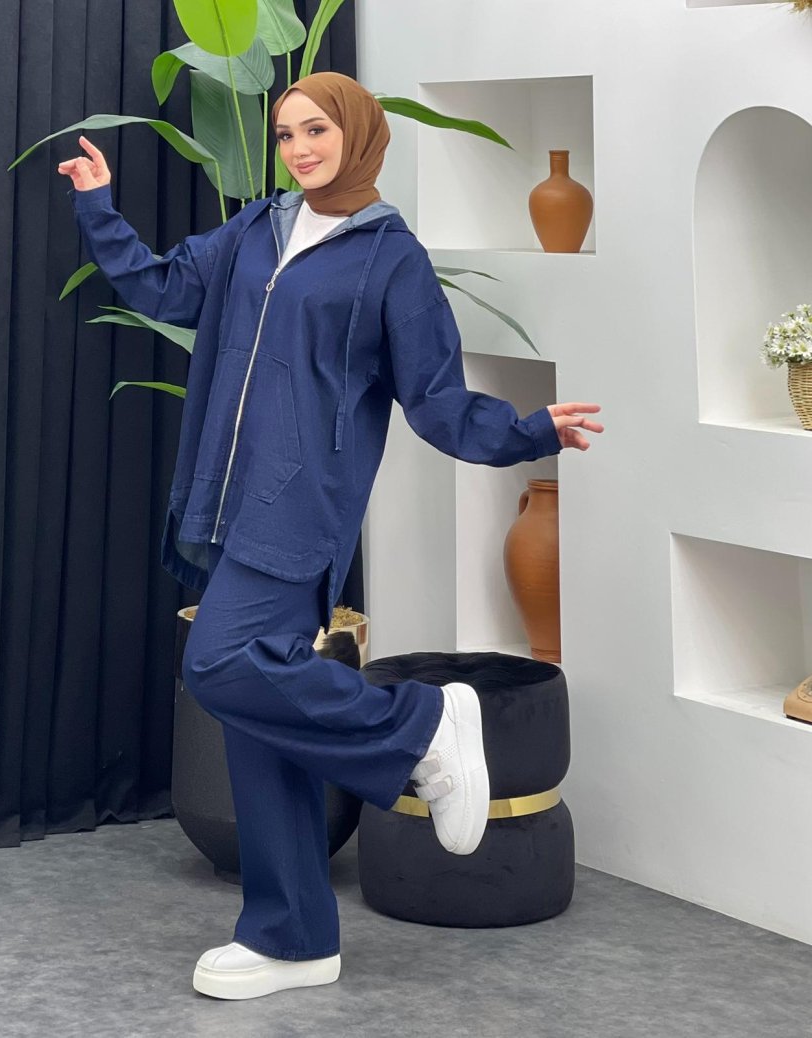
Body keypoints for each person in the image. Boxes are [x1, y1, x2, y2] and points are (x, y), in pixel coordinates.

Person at [58, 71, 603, 1001]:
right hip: (225, 502)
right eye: (285, 135)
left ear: (358, 135)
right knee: (255, 721)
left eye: (317, 130)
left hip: (302, 505)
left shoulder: (392, 258)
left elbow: (435, 399)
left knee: (216, 666)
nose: (299, 149)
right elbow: (163, 287)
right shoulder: (255, 230)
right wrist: (99, 207)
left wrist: (529, 431)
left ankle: (424, 726)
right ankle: (293, 936)